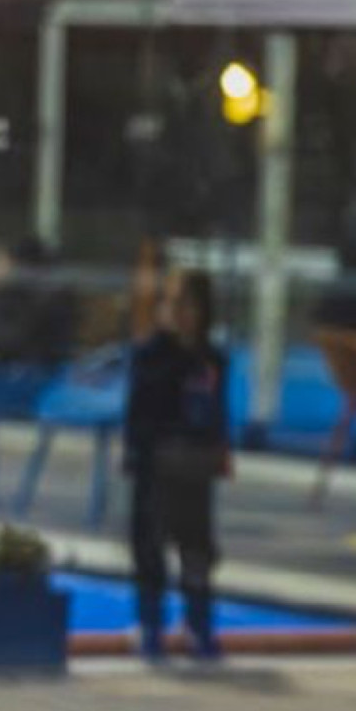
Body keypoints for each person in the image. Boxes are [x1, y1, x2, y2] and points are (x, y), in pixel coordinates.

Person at [123, 268, 231, 662]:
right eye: (170, 303)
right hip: (157, 463)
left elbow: (216, 411)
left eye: (186, 304)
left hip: (194, 467)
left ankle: (199, 626)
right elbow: (138, 411)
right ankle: (151, 626)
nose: (177, 312)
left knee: (197, 548)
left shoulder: (211, 359)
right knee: (149, 545)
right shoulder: (152, 356)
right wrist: (136, 455)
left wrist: (220, 450)